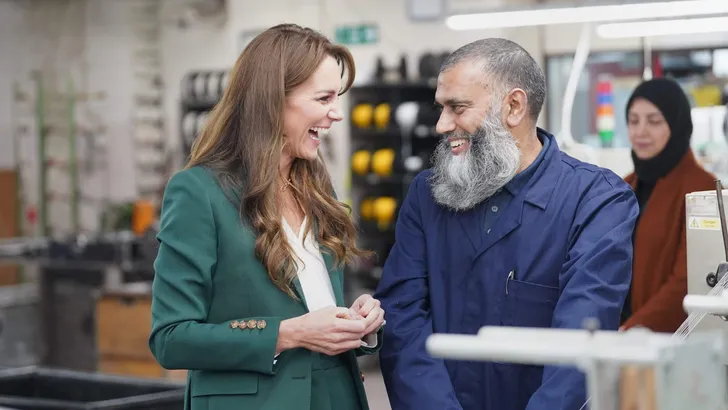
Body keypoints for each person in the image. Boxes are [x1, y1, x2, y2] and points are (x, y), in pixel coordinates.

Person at [374, 38, 639, 410]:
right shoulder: (428, 194)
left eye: (457, 108)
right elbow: (401, 318)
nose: (440, 125)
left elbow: (582, 338)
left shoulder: (597, 201)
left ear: (514, 106)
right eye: (441, 108)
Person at [148, 24, 385, 410]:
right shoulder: (199, 193)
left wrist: (353, 321)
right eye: (323, 98)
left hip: (337, 395)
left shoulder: (315, 186)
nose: (336, 114)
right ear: (274, 100)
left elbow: (315, 309)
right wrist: (288, 334)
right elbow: (171, 338)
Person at [619, 78, 715, 333]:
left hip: (668, 343)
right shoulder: (622, 187)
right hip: (617, 337)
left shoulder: (704, 190)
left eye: (654, 121)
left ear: (676, 124)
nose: (640, 132)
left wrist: (632, 330)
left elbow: (690, 281)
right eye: (633, 120)